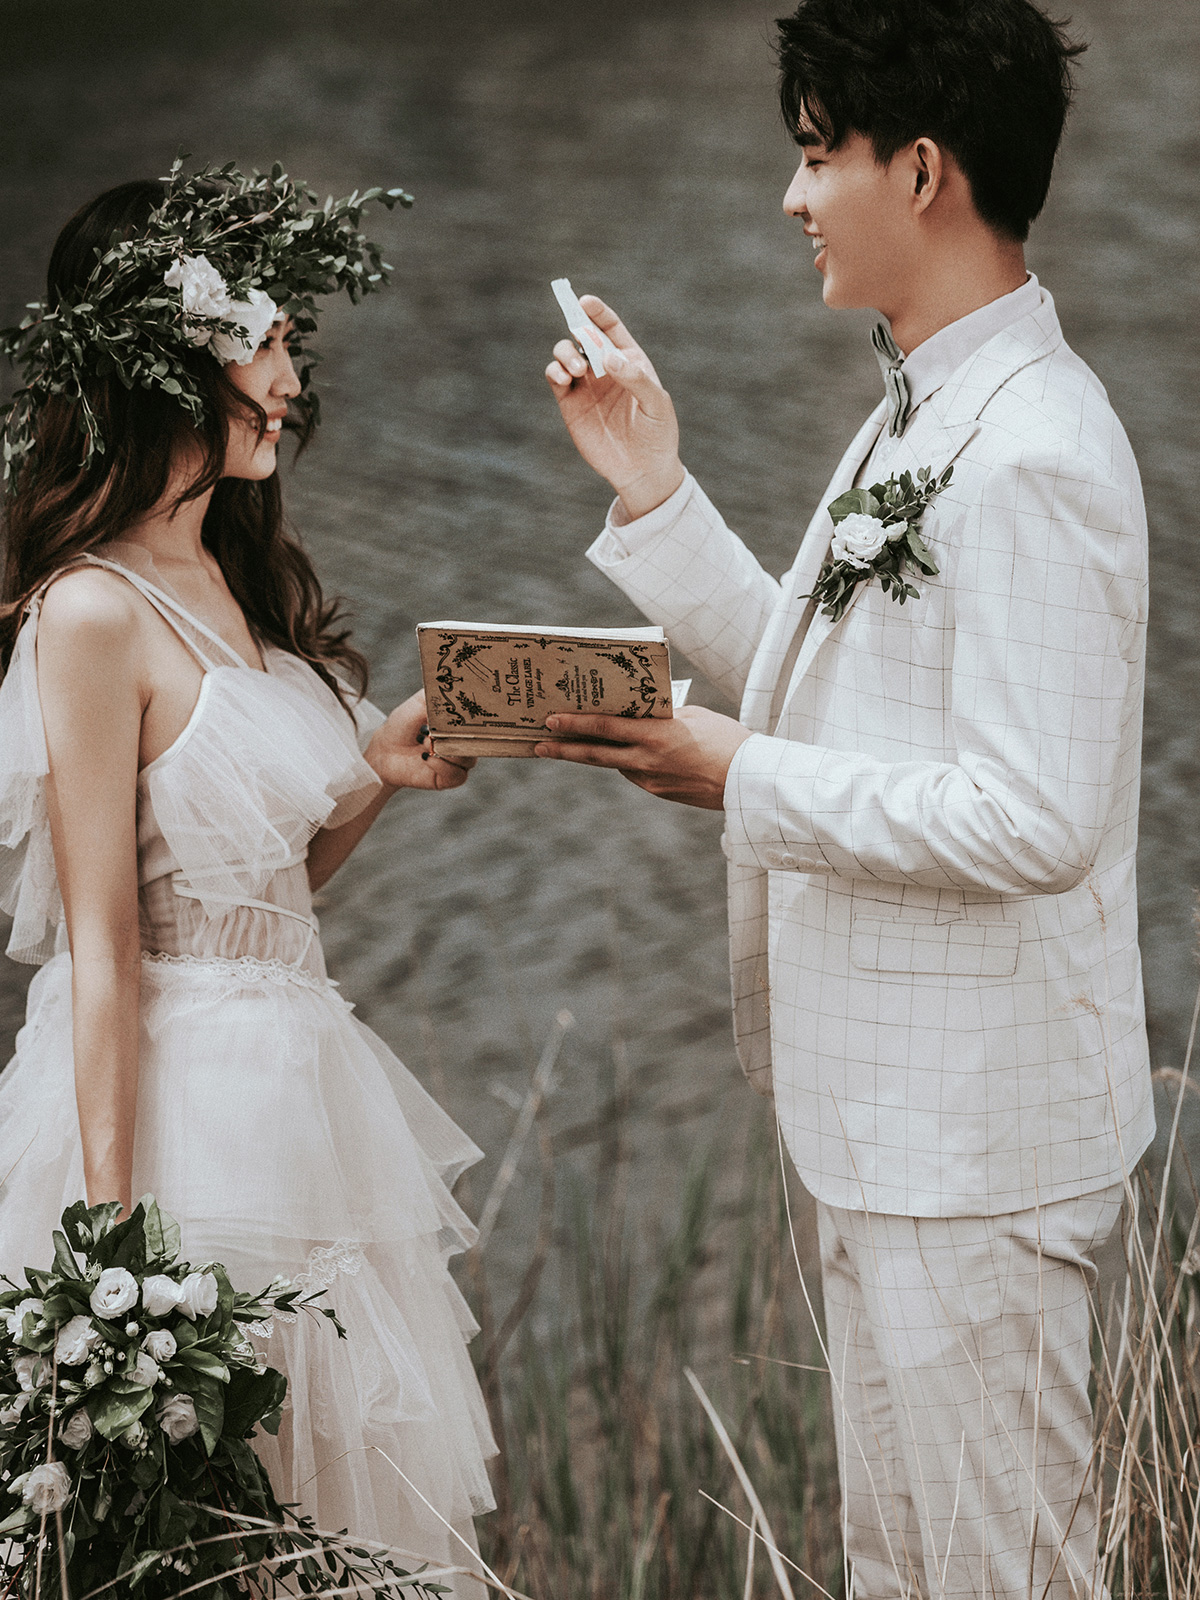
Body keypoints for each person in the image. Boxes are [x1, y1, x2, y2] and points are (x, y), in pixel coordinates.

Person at [542, 1, 1153, 1595]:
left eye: (819, 157)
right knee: (897, 1570)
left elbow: (1034, 815)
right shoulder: (926, 407)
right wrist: (654, 487)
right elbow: (834, 696)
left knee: (1000, 1576)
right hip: (887, 1136)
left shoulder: (1035, 452)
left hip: (975, 1156)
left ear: (925, 171)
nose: (793, 196)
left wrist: (734, 772)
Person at [0, 170, 494, 1590]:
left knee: (329, 1516)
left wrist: (375, 777)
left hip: (302, 1088)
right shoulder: (92, 611)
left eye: (290, 343)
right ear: (165, 363)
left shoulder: (229, 574)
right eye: (264, 342)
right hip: (179, 1124)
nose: (290, 380)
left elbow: (261, 894)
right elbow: (107, 945)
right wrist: (111, 1255)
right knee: (208, 1532)